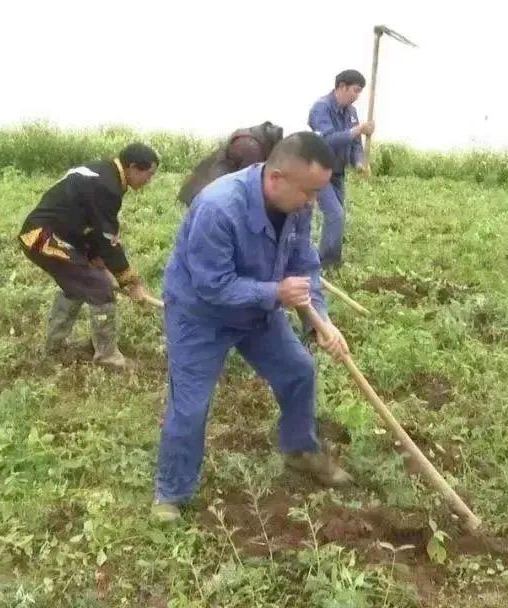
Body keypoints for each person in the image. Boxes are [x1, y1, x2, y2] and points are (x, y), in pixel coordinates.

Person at [153, 132, 353, 521]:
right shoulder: (218, 207)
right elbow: (213, 286)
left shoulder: (297, 204)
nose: (313, 202)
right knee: (191, 406)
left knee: (299, 371)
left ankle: (299, 450)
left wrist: (322, 322)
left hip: (259, 309)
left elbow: (304, 265)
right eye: (308, 192)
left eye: (317, 193)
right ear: (276, 178)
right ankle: (171, 492)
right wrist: (276, 292)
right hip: (201, 316)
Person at [18, 143, 160, 369]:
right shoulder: (108, 186)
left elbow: (90, 224)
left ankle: (55, 345)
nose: (149, 181)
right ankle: (108, 357)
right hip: (42, 237)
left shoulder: (104, 172)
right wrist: (131, 282)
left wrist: (95, 259)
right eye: (148, 174)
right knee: (99, 287)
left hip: (56, 234)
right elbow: (107, 238)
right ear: (133, 167)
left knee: (80, 282)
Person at [307, 69, 374, 268]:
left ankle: (330, 259)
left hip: (337, 172)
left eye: (360, 92)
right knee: (335, 214)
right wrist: (357, 130)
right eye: (355, 91)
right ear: (341, 87)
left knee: (337, 216)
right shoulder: (320, 108)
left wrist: (360, 162)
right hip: (319, 170)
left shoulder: (351, 112)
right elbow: (327, 140)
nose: (357, 96)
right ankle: (327, 262)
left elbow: (355, 145)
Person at [177, 121, 284, 205]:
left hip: (211, 189)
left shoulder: (253, 140)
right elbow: (252, 184)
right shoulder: (250, 147)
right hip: (209, 193)